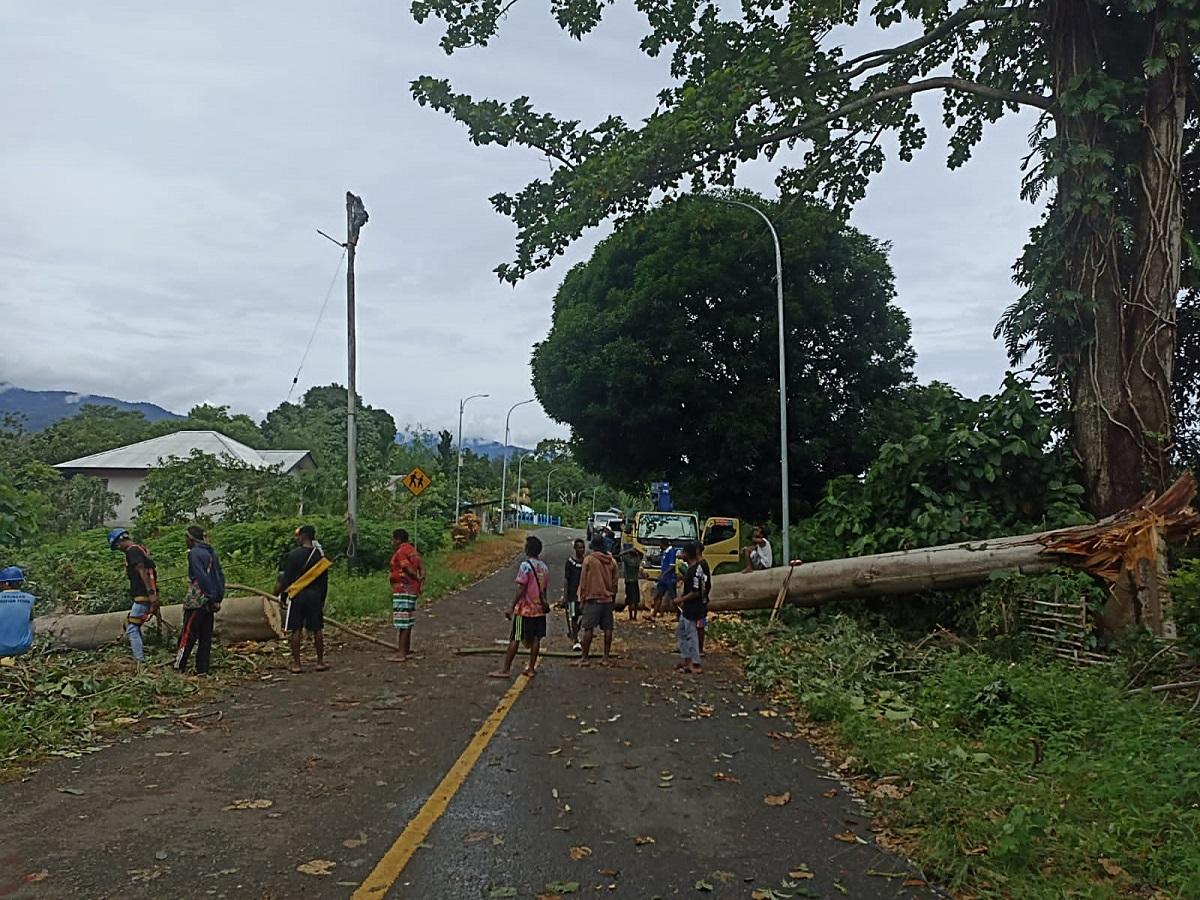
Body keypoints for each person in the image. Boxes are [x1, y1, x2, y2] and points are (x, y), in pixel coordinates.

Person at [490, 535, 550, 679]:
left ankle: (506, 669)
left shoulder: (525, 566)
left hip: (525, 610)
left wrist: (512, 606)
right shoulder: (544, 567)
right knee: (536, 638)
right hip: (539, 610)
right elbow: (544, 590)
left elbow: (521, 588)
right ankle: (531, 668)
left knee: (515, 638)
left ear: (528, 549)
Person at [275, 524, 331, 674]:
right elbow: (324, 581)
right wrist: (322, 599)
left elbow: (287, 579)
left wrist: (283, 596)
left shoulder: (294, 555)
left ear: (304, 536)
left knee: (296, 629)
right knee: (317, 629)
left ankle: (297, 664)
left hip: (298, 595)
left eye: (298, 535)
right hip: (315, 595)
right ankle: (319, 662)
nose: (296, 538)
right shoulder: (320, 556)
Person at [176, 525, 225, 675]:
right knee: (205, 636)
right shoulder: (211, 552)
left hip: (198, 599)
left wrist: (209, 595)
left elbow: (201, 576)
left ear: (191, 539)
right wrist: (217, 598)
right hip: (211, 600)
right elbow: (220, 576)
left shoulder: (194, 553)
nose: (185, 541)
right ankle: (202, 669)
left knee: (187, 634)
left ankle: (179, 666)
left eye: (186, 538)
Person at [108, 528, 158, 664]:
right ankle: (140, 655)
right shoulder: (140, 549)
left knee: (131, 629)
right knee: (130, 623)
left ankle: (140, 661)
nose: (118, 549)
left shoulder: (132, 551)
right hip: (145, 595)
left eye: (117, 546)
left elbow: (142, 571)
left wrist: (151, 593)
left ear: (120, 541)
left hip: (143, 596)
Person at [575, 535, 618, 666]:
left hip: (592, 599)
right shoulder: (612, 561)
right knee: (608, 629)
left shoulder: (589, 560)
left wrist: (581, 600)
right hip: (607, 599)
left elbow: (583, 582)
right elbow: (615, 583)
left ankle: (585, 658)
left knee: (588, 629)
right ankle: (605, 657)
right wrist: (613, 599)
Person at [389, 528, 425, 662]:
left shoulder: (401, 552)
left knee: (402, 621)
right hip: (412, 590)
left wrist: (415, 577)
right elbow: (422, 568)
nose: (392, 542)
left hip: (403, 589)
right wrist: (420, 581)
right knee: (408, 620)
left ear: (398, 539)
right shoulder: (412, 550)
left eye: (393, 539)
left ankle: (401, 653)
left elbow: (406, 567)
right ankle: (406, 649)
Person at [674, 542, 708, 674]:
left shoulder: (696, 570)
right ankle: (687, 660)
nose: (681, 555)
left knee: (691, 634)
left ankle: (696, 663)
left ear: (687, 554)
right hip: (689, 607)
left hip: (694, 608)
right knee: (682, 632)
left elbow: (696, 591)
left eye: (683, 552)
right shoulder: (691, 569)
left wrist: (680, 599)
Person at [0, 567, 35, 659]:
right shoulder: (30, 598)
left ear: (5, 583)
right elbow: (31, 618)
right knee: (30, 620)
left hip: (1, 649)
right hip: (22, 648)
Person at [562, 538, 586, 650]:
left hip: (584, 595)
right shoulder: (570, 563)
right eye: (579, 547)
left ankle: (575, 633)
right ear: (575, 548)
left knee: (585, 616)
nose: (582, 550)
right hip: (572, 595)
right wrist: (565, 595)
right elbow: (566, 579)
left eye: (583, 547)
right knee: (573, 616)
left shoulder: (586, 562)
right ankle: (575, 639)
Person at [650, 538, 679, 618]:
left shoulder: (671, 552)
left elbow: (671, 566)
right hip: (663, 579)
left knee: (674, 598)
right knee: (658, 595)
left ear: (663, 544)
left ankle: (679, 614)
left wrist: (663, 574)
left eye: (660, 544)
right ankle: (654, 614)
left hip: (670, 579)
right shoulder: (664, 552)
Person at [619, 541, 644, 621]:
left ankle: (630, 616)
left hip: (628, 581)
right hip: (635, 581)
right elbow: (642, 554)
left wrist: (628, 550)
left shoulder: (627, 560)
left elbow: (620, 554)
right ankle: (634, 616)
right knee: (636, 600)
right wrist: (637, 550)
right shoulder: (637, 560)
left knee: (630, 600)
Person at [695, 541, 712, 656]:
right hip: (702, 599)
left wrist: (702, 596)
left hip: (700, 600)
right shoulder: (701, 564)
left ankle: (700, 649)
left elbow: (705, 583)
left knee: (699, 625)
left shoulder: (701, 565)